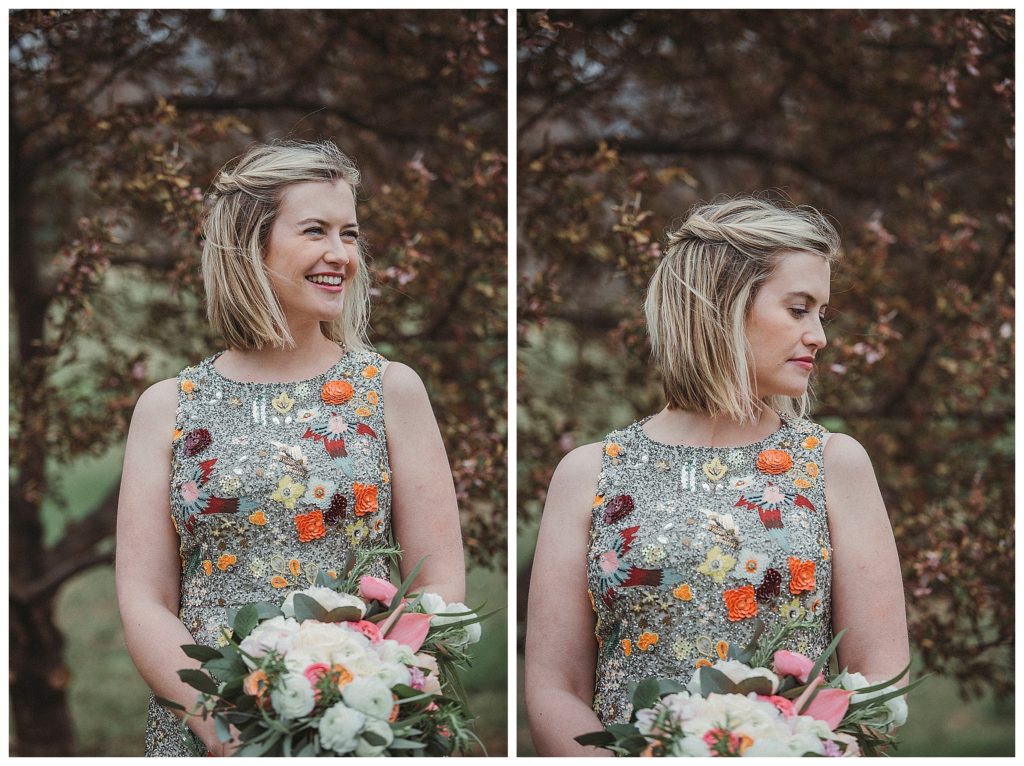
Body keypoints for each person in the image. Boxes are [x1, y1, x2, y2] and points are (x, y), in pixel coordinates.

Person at [115, 140, 465, 756]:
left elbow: (436, 582)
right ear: (252, 244)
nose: (341, 255)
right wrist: (223, 730)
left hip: (365, 728)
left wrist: (384, 702)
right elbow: (145, 601)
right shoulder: (168, 408)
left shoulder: (390, 390)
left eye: (350, 234)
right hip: (210, 730)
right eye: (315, 231)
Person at [525, 196, 910, 755]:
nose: (819, 336)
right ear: (723, 305)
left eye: (821, 314)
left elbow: (879, 676)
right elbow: (553, 688)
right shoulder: (589, 474)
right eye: (799, 309)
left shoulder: (834, 465)